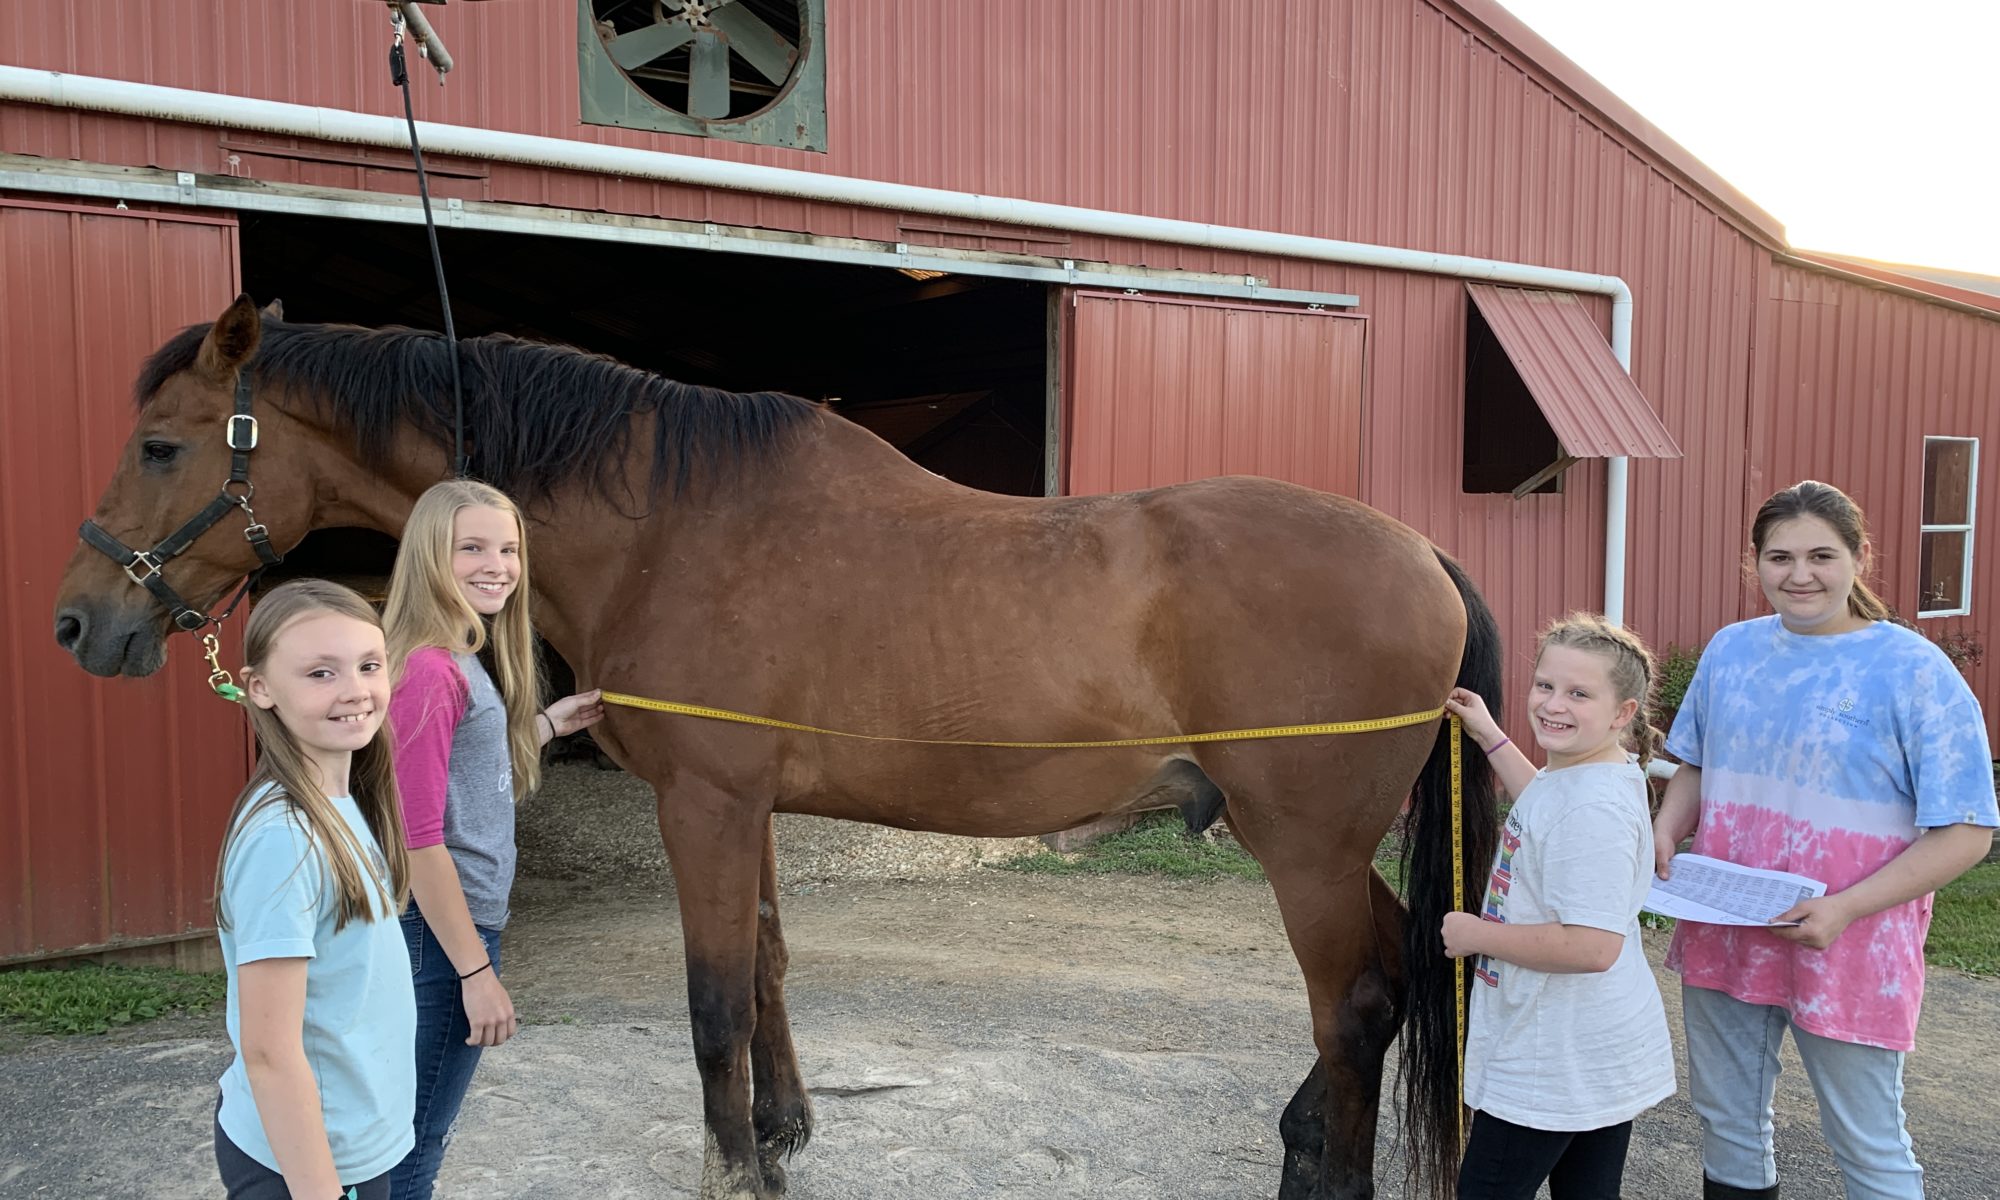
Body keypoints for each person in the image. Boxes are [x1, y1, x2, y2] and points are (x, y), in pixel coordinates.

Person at [1654, 480, 1998, 1200]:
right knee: (1727, 1123)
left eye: (1821, 555)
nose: (1799, 574)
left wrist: (1845, 907)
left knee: (1867, 1144)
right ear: (1754, 564)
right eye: (1779, 557)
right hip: (1728, 929)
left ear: (1859, 557)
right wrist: (1664, 830)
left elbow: (1967, 831)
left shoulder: (1912, 670)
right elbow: (1696, 764)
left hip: (1849, 945)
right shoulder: (1732, 651)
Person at [381, 478, 605, 1198]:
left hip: (452, 930)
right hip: (443, 935)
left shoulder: (459, 656)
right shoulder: (429, 669)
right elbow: (421, 841)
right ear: (428, 557)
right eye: (472, 547)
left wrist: (544, 726)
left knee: (411, 1126)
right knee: (415, 1136)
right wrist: (476, 974)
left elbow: (458, 777)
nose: (497, 564)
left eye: (508, 549)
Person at [1441, 613, 1677, 1200]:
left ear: (1623, 712)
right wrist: (1489, 735)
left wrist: (1476, 934)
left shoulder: (1591, 814)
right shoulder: (1585, 775)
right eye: (1545, 685)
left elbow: (1592, 946)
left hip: (1554, 1054)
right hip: (1591, 1048)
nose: (1553, 704)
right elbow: (1545, 805)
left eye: (1578, 694)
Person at [212, 579, 414, 1199]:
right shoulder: (286, 841)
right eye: (321, 673)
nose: (355, 690)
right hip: (309, 1165)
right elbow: (270, 1053)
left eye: (368, 665)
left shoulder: (342, 800)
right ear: (261, 688)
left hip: (349, 1142)